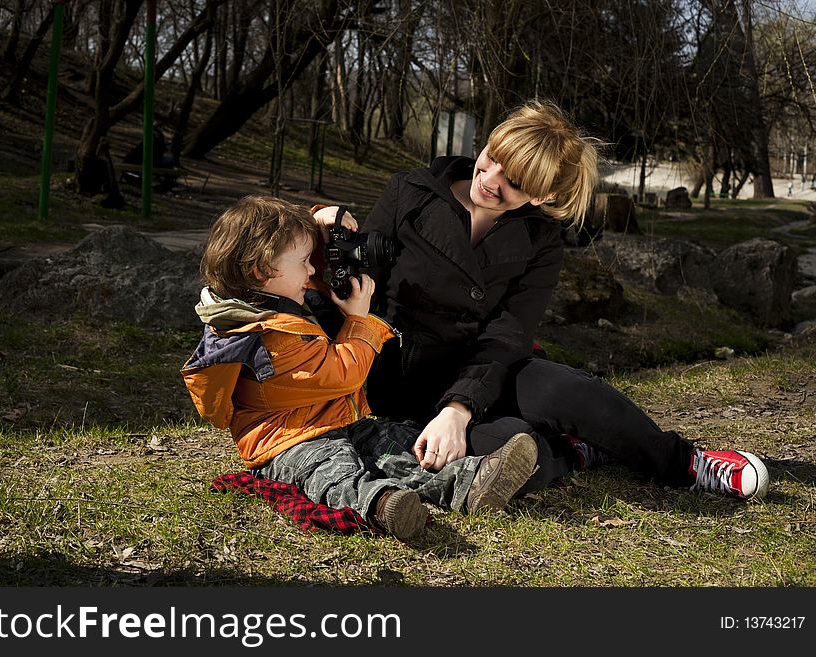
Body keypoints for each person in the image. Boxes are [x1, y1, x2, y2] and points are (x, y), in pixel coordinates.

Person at [316, 98, 770, 501]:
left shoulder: (540, 239)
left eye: (513, 181)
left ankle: (687, 464)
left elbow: (508, 332)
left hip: (478, 368)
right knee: (513, 446)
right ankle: (573, 450)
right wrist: (324, 228)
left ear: (544, 194)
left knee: (564, 389)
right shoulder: (410, 191)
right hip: (390, 369)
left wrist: (458, 408)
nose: (489, 180)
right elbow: (350, 272)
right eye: (491, 158)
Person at [180, 195, 539, 540]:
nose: (312, 269)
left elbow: (279, 236)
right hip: (287, 442)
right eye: (305, 262)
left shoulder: (268, 299)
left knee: (393, 446)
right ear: (261, 271)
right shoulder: (268, 337)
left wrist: (321, 219)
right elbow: (344, 374)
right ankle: (382, 505)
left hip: (337, 419)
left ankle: (471, 482)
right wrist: (360, 319)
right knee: (332, 472)